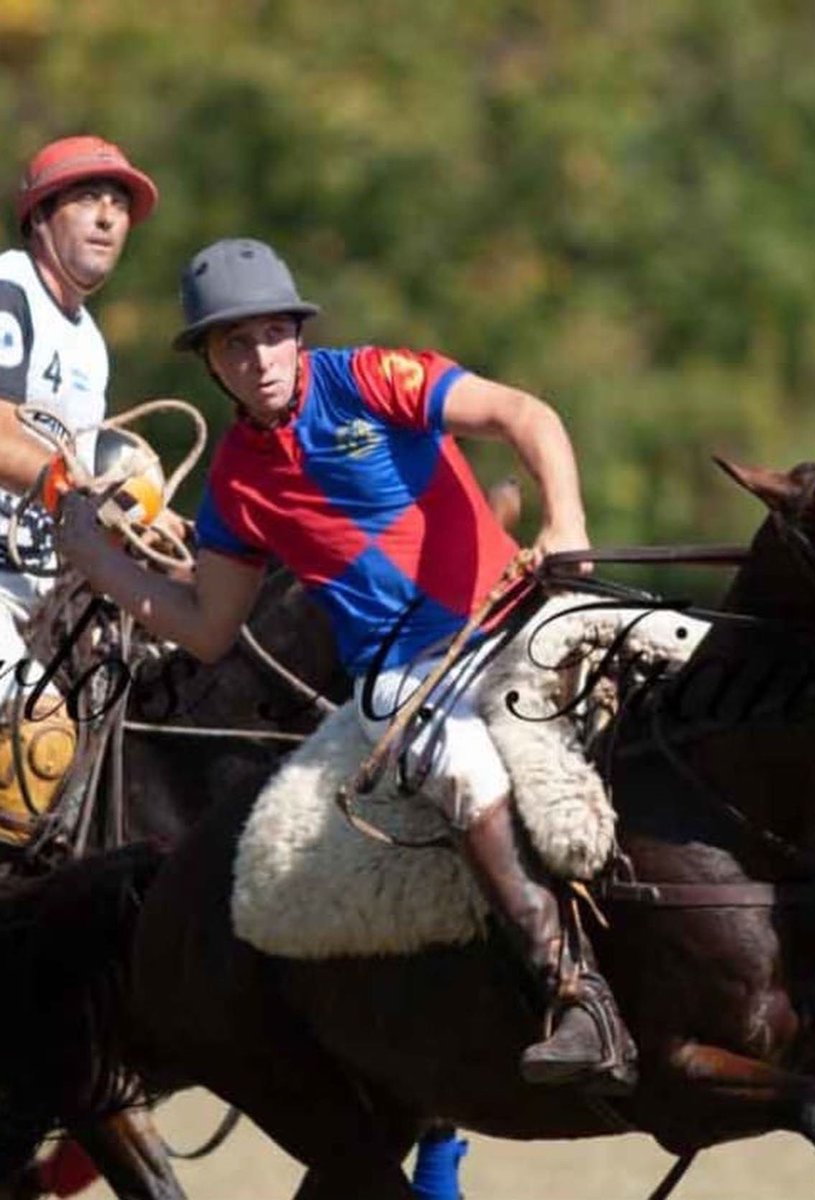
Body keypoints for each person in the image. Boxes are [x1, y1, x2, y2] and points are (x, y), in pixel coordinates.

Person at [56, 236, 639, 1095]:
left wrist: (567, 521)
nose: (259, 359)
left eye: (272, 335)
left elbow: (525, 414)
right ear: (211, 363)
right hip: (403, 676)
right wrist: (99, 562)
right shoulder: (235, 484)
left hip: (513, 613)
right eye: (234, 344)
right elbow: (208, 628)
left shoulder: (372, 378)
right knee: (462, 766)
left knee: (667, 653)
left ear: (299, 332)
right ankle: (573, 991)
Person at [0, 134, 158, 833]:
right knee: (36, 740)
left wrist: (154, 522)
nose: (107, 217)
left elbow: (88, 483)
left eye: (118, 206)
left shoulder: (91, 341)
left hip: (42, 593)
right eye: (88, 199)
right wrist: (80, 489)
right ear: (40, 217)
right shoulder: (10, 288)